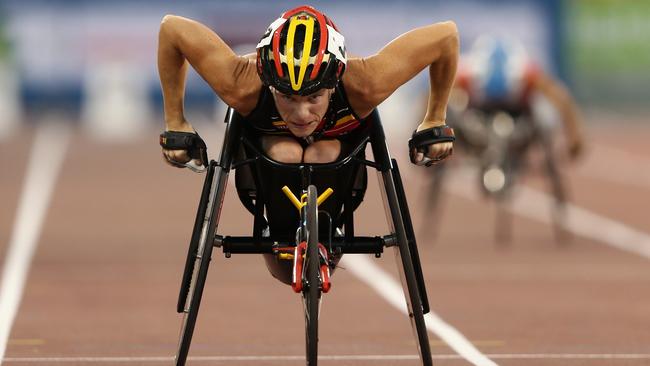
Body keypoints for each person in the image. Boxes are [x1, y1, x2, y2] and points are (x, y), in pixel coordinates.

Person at [158, 5, 458, 169]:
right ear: (268, 82)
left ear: (334, 82)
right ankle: (279, 237)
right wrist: (176, 122)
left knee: (323, 154)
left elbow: (446, 36)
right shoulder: (241, 83)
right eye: (287, 97)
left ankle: (326, 237)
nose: (301, 113)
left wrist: (435, 118)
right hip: (266, 144)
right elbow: (171, 29)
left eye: (314, 96)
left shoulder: (366, 82)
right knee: (286, 153)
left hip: (338, 147)